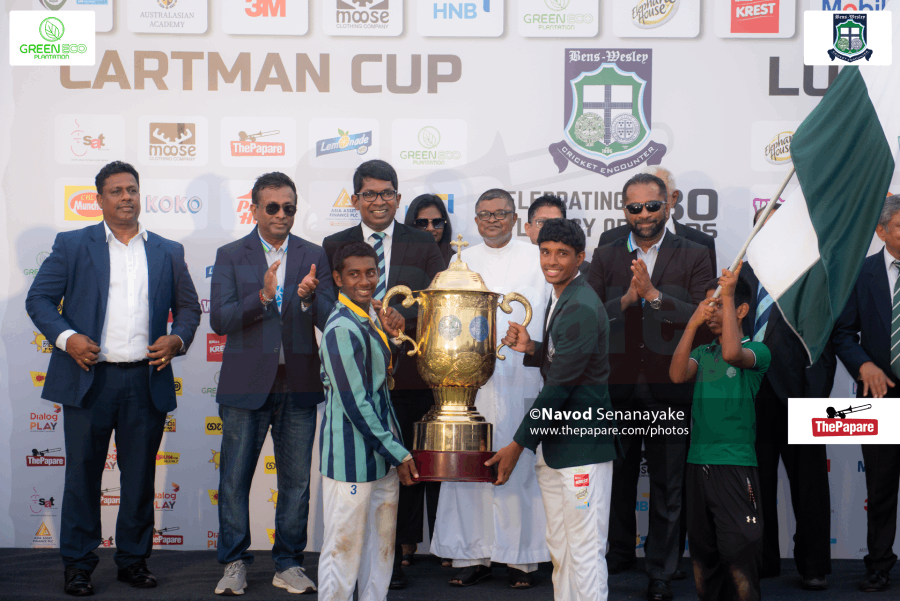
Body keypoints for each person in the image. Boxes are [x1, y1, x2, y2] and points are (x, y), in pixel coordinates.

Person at [25, 161, 201, 596]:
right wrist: (67, 338)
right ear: (100, 199)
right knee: (82, 478)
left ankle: (133, 561)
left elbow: (189, 309)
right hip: (89, 380)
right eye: (117, 191)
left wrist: (178, 339)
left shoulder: (168, 251)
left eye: (132, 190)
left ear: (140, 195)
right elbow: (40, 299)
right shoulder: (72, 244)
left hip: (145, 381)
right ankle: (78, 565)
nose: (126, 197)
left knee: (139, 479)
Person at [588, 173, 713, 601]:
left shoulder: (694, 252)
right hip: (616, 387)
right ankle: (619, 553)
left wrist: (655, 296)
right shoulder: (606, 252)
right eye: (634, 207)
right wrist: (626, 300)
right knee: (616, 480)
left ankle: (661, 571)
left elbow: (704, 317)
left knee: (667, 486)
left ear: (668, 205)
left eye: (652, 206)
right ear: (624, 209)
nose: (644, 214)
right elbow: (588, 313)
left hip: (669, 388)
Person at [209, 172, 335, 596]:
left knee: (296, 484)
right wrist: (263, 297)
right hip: (244, 385)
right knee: (234, 481)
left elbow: (330, 317)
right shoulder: (231, 254)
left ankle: (289, 563)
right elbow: (220, 320)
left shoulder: (314, 254)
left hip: (298, 384)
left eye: (289, 207)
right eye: (273, 207)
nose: (282, 214)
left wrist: (308, 297)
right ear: (255, 209)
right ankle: (233, 562)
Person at [323, 160, 446, 589]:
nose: (379, 201)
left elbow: (438, 304)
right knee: (348, 534)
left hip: (410, 378)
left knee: (394, 496)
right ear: (355, 199)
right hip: (357, 389)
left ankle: (398, 562)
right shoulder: (334, 245)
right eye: (370, 193)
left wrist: (400, 325)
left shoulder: (423, 242)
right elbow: (329, 308)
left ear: (398, 197)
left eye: (387, 193)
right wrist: (356, 334)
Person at [490, 218, 620, 601]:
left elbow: (560, 387)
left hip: (581, 450)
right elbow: (564, 360)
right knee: (561, 549)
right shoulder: (562, 296)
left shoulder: (580, 304)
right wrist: (532, 348)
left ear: (580, 257)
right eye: (545, 252)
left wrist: (517, 445)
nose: (551, 261)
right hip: (558, 447)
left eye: (562, 254)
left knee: (584, 550)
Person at [430, 189, 550, 589]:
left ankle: (522, 558)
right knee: (470, 462)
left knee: (521, 464)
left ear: (515, 219)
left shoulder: (537, 258)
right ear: (476, 220)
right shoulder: (461, 261)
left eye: (501, 213)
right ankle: (471, 554)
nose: (493, 220)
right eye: (485, 214)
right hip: (470, 383)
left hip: (524, 375)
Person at [317, 241, 419, 601]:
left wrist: (393, 340)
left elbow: (380, 384)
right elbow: (356, 404)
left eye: (370, 273)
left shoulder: (368, 318)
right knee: (342, 552)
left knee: (380, 551)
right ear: (338, 278)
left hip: (383, 457)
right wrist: (399, 453)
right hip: (352, 460)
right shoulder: (341, 328)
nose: (364, 281)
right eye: (354, 274)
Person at [743, 202, 834, 590]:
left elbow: (825, 342)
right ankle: (762, 561)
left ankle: (813, 565)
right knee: (756, 486)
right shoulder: (739, 274)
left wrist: (815, 400)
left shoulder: (811, 274)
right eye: (762, 227)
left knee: (810, 485)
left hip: (801, 395)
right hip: (751, 394)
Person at [669, 263, 770, 601]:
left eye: (719, 305)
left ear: (741, 310)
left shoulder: (758, 351)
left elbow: (732, 352)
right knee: (704, 556)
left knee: (740, 555)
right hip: (698, 463)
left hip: (735, 464)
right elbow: (676, 375)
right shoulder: (703, 352)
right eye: (708, 304)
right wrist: (692, 323)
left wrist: (727, 295)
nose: (710, 311)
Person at [833, 194, 900, 593]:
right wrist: (863, 365)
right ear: (881, 231)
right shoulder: (861, 273)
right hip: (878, 396)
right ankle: (878, 565)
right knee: (880, 486)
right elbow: (842, 334)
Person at [598, 165, 717, 276]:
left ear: (673, 198)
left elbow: (707, 291)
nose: (645, 213)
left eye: (653, 202)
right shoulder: (609, 240)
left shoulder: (701, 243)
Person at [524, 194, 590, 275]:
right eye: (542, 222)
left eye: (556, 223)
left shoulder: (583, 269)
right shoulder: (515, 265)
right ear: (528, 229)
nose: (549, 228)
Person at [406, 193, 455, 266]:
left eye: (437, 222)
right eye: (422, 223)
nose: (430, 228)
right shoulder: (399, 259)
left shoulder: (455, 261)